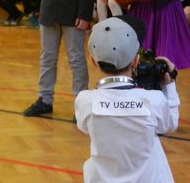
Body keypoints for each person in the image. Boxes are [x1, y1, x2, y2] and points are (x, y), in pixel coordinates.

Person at [75, 15, 180, 183]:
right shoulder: (154, 100)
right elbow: (170, 124)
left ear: (93, 61)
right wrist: (170, 84)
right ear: (135, 61)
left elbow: (84, 127)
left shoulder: (85, 101)